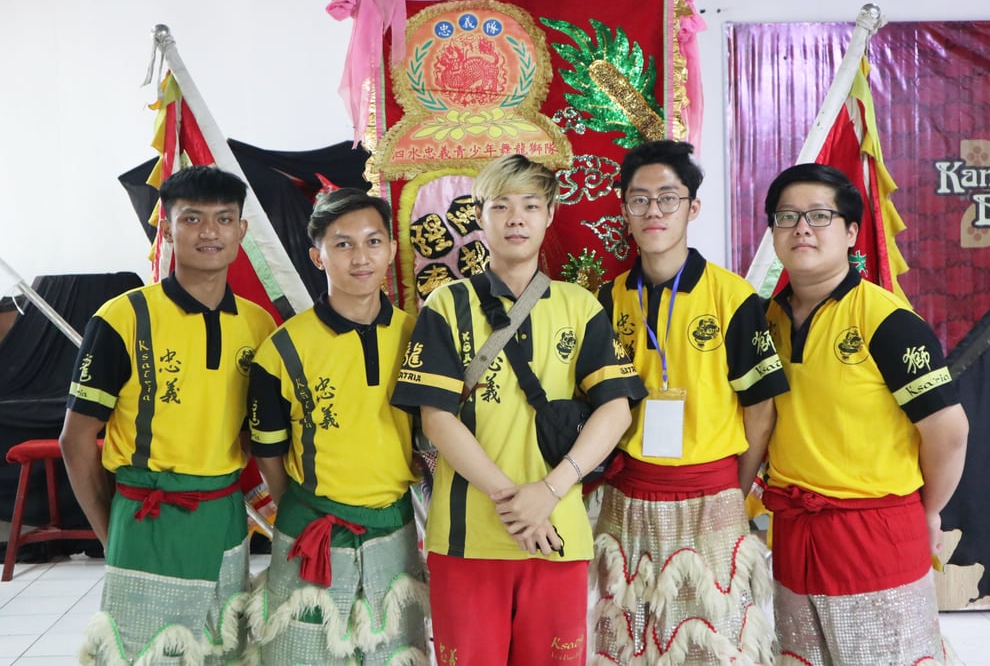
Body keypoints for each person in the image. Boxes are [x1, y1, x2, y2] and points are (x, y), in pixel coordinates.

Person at [391, 153, 647, 665]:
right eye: (501, 205)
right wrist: (518, 505)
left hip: (559, 535)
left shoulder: (579, 305)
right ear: (479, 215)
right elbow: (436, 418)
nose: (516, 217)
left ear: (550, 215)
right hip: (467, 539)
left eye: (531, 205)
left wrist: (549, 492)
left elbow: (616, 409)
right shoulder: (446, 303)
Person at [60, 165, 277, 665]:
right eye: (192, 219)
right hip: (146, 516)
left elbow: (257, 434)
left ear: (242, 230)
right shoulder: (123, 317)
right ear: (168, 228)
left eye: (224, 219)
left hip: (224, 518)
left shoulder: (259, 323)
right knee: (142, 653)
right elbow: (76, 439)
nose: (209, 232)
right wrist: (111, 534)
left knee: (223, 648)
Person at [762, 163, 969, 664]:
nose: (801, 228)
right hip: (795, 532)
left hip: (873, 533)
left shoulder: (887, 321)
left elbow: (948, 431)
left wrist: (928, 509)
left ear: (852, 232)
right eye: (786, 216)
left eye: (818, 215)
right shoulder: (764, 319)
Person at [591, 140, 788, 665]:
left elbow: (762, 409)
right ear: (624, 208)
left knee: (711, 643)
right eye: (639, 200)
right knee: (629, 641)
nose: (653, 211)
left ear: (692, 208)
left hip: (711, 497)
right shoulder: (608, 300)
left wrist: (733, 488)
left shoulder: (733, 298)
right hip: (627, 497)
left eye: (668, 198)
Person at [245, 188, 429, 664]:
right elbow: (268, 448)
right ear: (318, 256)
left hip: (395, 525)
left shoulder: (418, 337)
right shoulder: (282, 349)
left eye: (372, 242)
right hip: (312, 530)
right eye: (343, 244)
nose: (360, 257)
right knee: (302, 653)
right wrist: (301, 508)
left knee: (391, 652)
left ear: (391, 250)